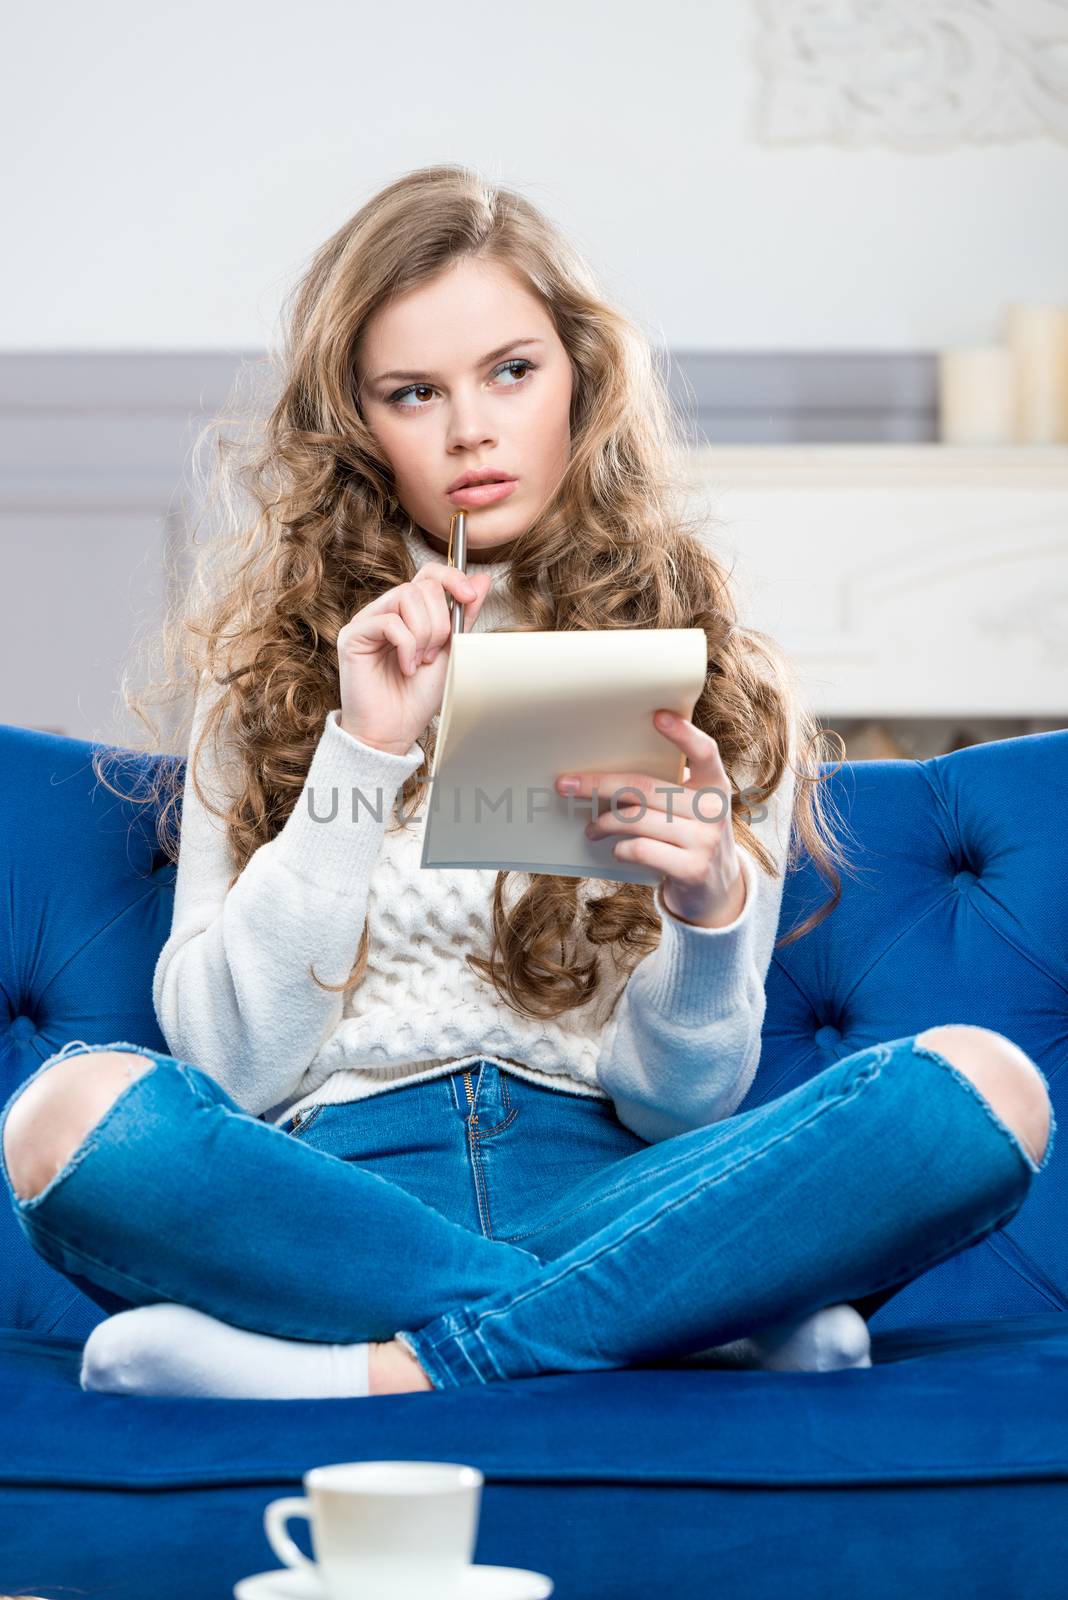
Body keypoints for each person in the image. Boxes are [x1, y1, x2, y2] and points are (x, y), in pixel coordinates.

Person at [0, 165, 1054, 1402]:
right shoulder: (280, 682)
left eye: (511, 372)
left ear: (581, 381)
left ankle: (378, 1370)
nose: (469, 431)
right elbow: (231, 1068)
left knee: (984, 1090)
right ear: (359, 425)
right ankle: (683, 1324)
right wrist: (364, 751)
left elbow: (681, 1112)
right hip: (329, 1197)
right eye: (413, 393)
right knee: (63, 1115)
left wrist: (710, 918)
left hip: (623, 1183)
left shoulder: (713, 674)